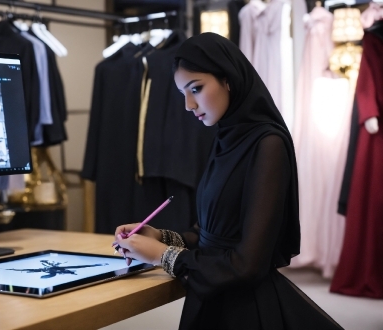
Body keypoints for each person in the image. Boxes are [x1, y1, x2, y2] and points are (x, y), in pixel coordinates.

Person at [113, 33, 342, 329]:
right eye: (183, 92)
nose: (188, 104)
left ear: (228, 80)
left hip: (245, 310)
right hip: (213, 298)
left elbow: (248, 264)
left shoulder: (267, 144)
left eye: (196, 88)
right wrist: (160, 236)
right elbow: (214, 236)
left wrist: (164, 256)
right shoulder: (225, 137)